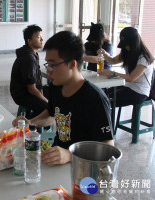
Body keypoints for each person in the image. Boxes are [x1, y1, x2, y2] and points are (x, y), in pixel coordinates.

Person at [12, 31, 114, 165]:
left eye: (53, 65)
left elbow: (108, 146)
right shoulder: (57, 86)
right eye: (47, 64)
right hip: (56, 160)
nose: (48, 71)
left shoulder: (94, 98)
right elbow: (51, 114)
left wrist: (70, 155)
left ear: (72, 64)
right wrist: (30, 123)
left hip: (81, 168)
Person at [97, 27, 154, 107]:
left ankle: (107, 119)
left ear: (134, 43)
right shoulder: (128, 52)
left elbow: (131, 78)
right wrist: (104, 53)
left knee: (105, 100)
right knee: (100, 95)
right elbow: (112, 61)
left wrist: (113, 73)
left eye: (126, 45)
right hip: (127, 86)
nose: (125, 47)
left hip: (139, 92)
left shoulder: (144, 57)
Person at [10, 24, 48, 119]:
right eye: (39, 37)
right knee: (47, 107)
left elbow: (36, 81)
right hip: (22, 94)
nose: (42, 40)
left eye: (42, 37)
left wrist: (42, 92)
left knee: (55, 92)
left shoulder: (32, 53)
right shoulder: (28, 57)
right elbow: (31, 89)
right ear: (29, 40)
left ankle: (43, 124)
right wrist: (46, 101)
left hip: (30, 90)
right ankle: (28, 125)